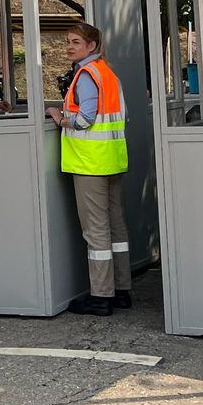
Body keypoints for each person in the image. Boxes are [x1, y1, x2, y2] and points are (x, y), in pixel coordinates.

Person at [49, 22, 130, 316]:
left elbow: (84, 119)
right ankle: (121, 290)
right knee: (115, 226)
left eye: (75, 42)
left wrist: (59, 118)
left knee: (95, 230)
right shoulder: (107, 73)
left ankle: (101, 296)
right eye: (68, 42)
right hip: (110, 159)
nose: (69, 47)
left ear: (91, 46)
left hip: (89, 162)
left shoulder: (86, 75)